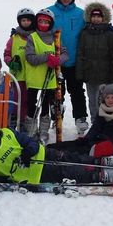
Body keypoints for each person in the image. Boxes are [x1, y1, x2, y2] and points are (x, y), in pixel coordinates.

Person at [0, 113, 113, 184]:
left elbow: (30, 142)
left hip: (42, 153)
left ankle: (105, 161)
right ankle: (103, 175)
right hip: (34, 174)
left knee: (71, 158)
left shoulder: (6, 133)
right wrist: (6, 178)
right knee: (68, 171)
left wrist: (28, 152)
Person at [48, 84, 113, 157]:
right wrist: (86, 139)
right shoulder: (103, 109)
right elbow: (96, 127)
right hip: (101, 137)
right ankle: (49, 149)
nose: (110, 100)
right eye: (107, 98)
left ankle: (58, 155)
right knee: (78, 144)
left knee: (86, 151)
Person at [47, 0, 89, 135]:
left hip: (73, 60)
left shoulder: (80, 14)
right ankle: (56, 116)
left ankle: (80, 118)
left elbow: (90, 30)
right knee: (55, 91)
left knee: (76, 90)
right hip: (54, 60)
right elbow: (40, 28)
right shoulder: (49, 12)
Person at [25, 9, 69, 143]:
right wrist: (47, 57)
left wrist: (58, 60)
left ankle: (44, 131)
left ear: (51, 23)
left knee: (45, 106)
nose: (43, 24)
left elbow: (65, 54)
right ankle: (32, 130)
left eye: (46, 21)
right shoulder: (32, 37)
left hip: (49, 79)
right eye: (41, 21)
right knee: (31, 105)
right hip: (34, 78)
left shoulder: (56, 37)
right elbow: (30, 58)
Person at [76, 2, 113, 123]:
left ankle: (104, 124)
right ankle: (95, 122)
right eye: (94, 16)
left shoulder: (109, 34)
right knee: (92, 100)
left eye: (99, 16)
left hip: (104, 75)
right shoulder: (85, 33)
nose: (96, 19)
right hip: (89, 74)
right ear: (90, 17)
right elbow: (80, 53)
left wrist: (112, 75)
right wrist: (80, 73)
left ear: (103, 18)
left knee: (104, 100)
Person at [3, 8, 36, 131]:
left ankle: (27, 122)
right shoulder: (14, 38)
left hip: (33, 76)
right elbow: (6, 54)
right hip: (17, 77)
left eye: (28, 20)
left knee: (29, 100)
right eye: (23, 20)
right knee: (17, 99)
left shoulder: (36, 36)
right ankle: (16, 120)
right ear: (19, 21)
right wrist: (10, 62)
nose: (26, 22)